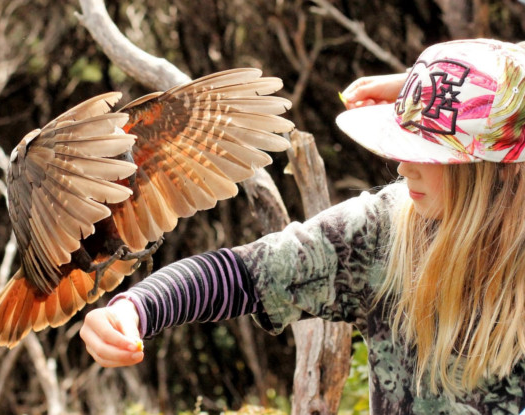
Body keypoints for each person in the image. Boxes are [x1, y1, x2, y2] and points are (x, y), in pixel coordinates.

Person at [80, 39, 525, 414]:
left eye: (429, 153)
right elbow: (244, 273)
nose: (404, 167)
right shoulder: (386, 232)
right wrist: (135, 309)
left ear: (499, 170)